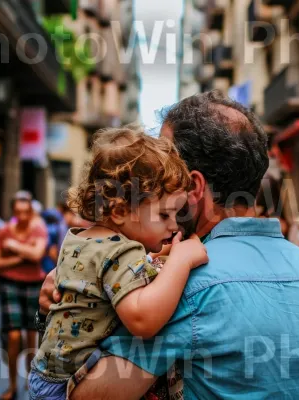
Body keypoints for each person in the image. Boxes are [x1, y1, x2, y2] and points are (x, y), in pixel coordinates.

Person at [38, 91, 299, 399]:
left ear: (195, 187)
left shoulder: (180, 288)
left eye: (162, 167)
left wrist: (67, 310)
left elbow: (87, 396)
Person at [28, 127, 208, 400]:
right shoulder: (121, 251)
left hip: (45, 376)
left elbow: (111, 276)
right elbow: (142, 319)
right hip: (67, 387)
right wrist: (181, 260)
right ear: (121, 211)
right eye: (164, 214)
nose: (174, 225)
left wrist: (158, 258)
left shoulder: (83, 239)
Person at [0, 191, 49, 400]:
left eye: (26, 212)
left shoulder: (38, 228)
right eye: (18, 212)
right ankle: (13, 385)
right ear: (14, 211)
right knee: (14, 335)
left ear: (30, 212)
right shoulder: (5, 230)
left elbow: (37, 255)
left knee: (32, 338)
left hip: (34, 285)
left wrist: (14, 247)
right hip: (11, 286)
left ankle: (31, 382)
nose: (22, 216)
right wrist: (21, 258)